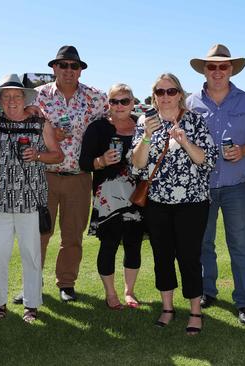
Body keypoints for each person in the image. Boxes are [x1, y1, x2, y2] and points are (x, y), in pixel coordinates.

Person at [131, 73, 216, 335]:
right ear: (154, 95)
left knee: (189, 256)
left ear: (180, 93)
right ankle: (167, 308)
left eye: (170, 91)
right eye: (160, 91)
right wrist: (146, 136)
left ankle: (195, 311)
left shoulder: (195, 121)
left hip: (192, 202)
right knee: (162, 255)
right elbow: (137, 164)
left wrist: (184, 140)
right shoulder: (146, 121)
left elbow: (207, 161)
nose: (165, 96)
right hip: (158, 202)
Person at [186, 44, 245, 324]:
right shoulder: (191, 103)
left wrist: (244, 150)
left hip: (235, 186)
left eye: (223, 66)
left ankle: (244, 301)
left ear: (231, 70)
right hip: (200, 186)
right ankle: (208, 290)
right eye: (212, 66)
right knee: (204, 242)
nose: (217, 71)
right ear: (205, 70)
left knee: (239, 243)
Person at [31, 45, 108, 303]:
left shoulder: (96, 98)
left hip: (78, 177)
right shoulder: (37, 96)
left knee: (73, 235)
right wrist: (48, 137)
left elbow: (112, 123)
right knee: (39, 233)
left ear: (80, 71)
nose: (68, 70)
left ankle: (66, 283)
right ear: (54, 67)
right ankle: (32, 284)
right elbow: (26, 130)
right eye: (63, 65)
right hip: (44, 175)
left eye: (74, 66)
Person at [0, 74, 63, 323]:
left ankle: (32, 304)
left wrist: (38, 155)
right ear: (0, 101)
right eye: (6, 97)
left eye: (16, 96)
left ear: (24, 98)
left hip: (30, 200)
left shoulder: (40, 123)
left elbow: (58, 155)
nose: (11, 101)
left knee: (31, 254)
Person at [79, 83, 144, 310]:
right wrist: (102, 161)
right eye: (114, 101)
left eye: (124, 101)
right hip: (107, 196)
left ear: (133, 102)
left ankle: (129, 291)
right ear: (108, 104)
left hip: (138, 195)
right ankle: (110, 293)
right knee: (109, 244)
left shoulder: (141, 126)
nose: (119, 106)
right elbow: (84, 162)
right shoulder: (98, 128)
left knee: (133, 245)